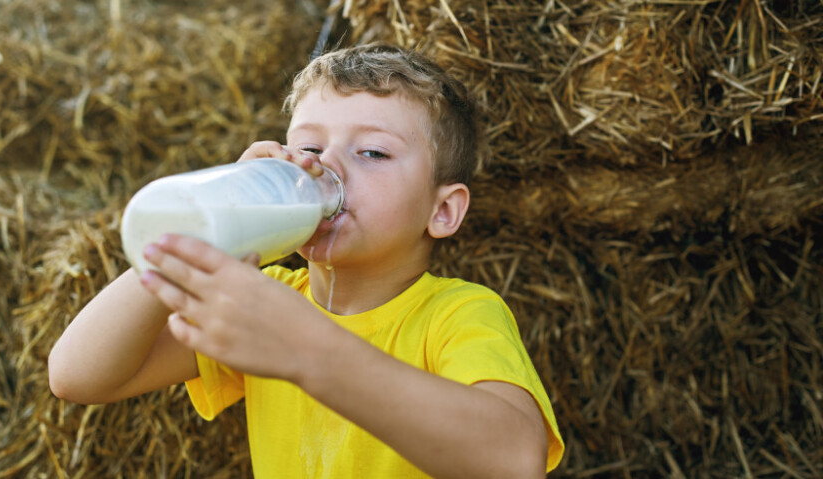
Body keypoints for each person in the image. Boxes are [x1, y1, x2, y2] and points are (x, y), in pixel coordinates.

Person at [49, 43, 564, 478]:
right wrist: (209, 223)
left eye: (373, 153)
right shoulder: (265, 299)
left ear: (443, 210)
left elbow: (514, 460)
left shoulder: (455, 314)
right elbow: (78, 376)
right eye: (309, 148)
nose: (324, 167)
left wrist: (308, 351)